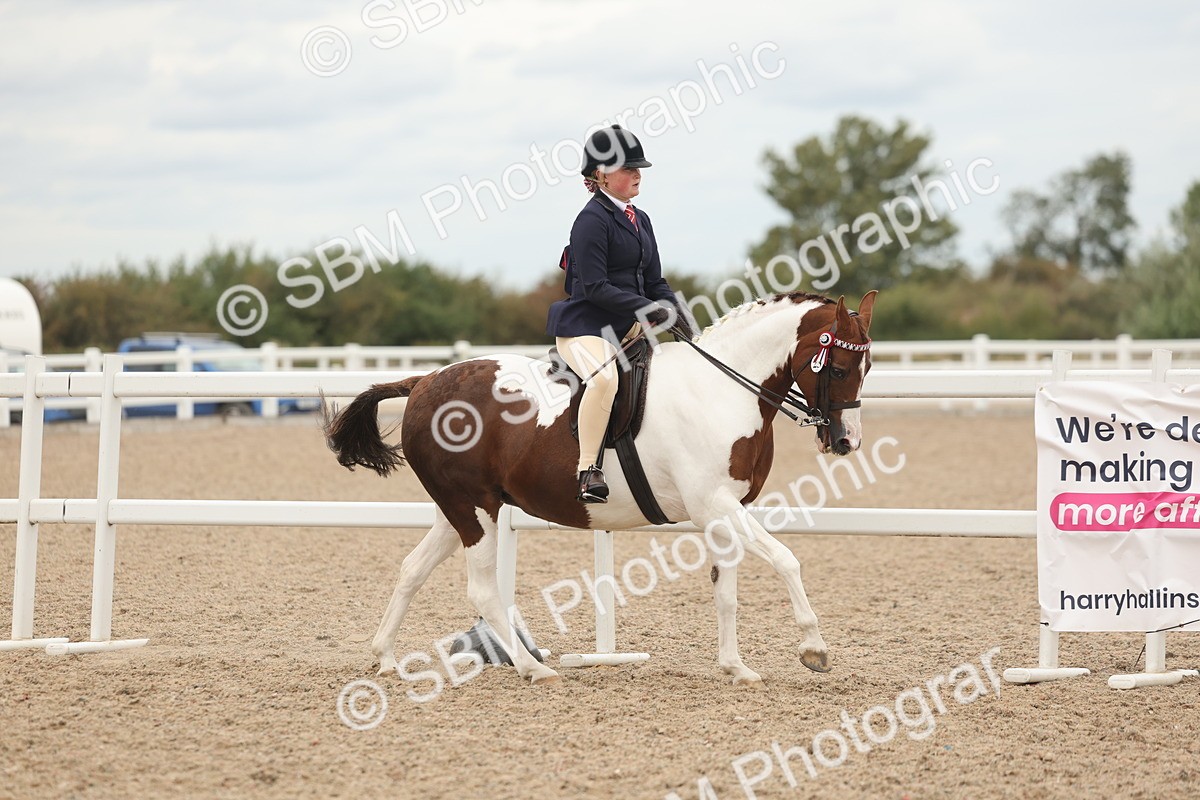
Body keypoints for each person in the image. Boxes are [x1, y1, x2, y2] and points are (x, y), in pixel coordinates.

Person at [546, 125, 697, 504]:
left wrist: (682, 317)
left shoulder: (640, 219)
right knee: (604, 382)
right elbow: (595, 287)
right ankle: (587, 471)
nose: (637, 174)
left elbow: (655, 280)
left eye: (638, 168)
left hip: (627, 327)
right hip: (586, 329)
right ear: (600, 174)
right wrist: (647, 309)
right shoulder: (591, 221)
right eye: (627, 168)